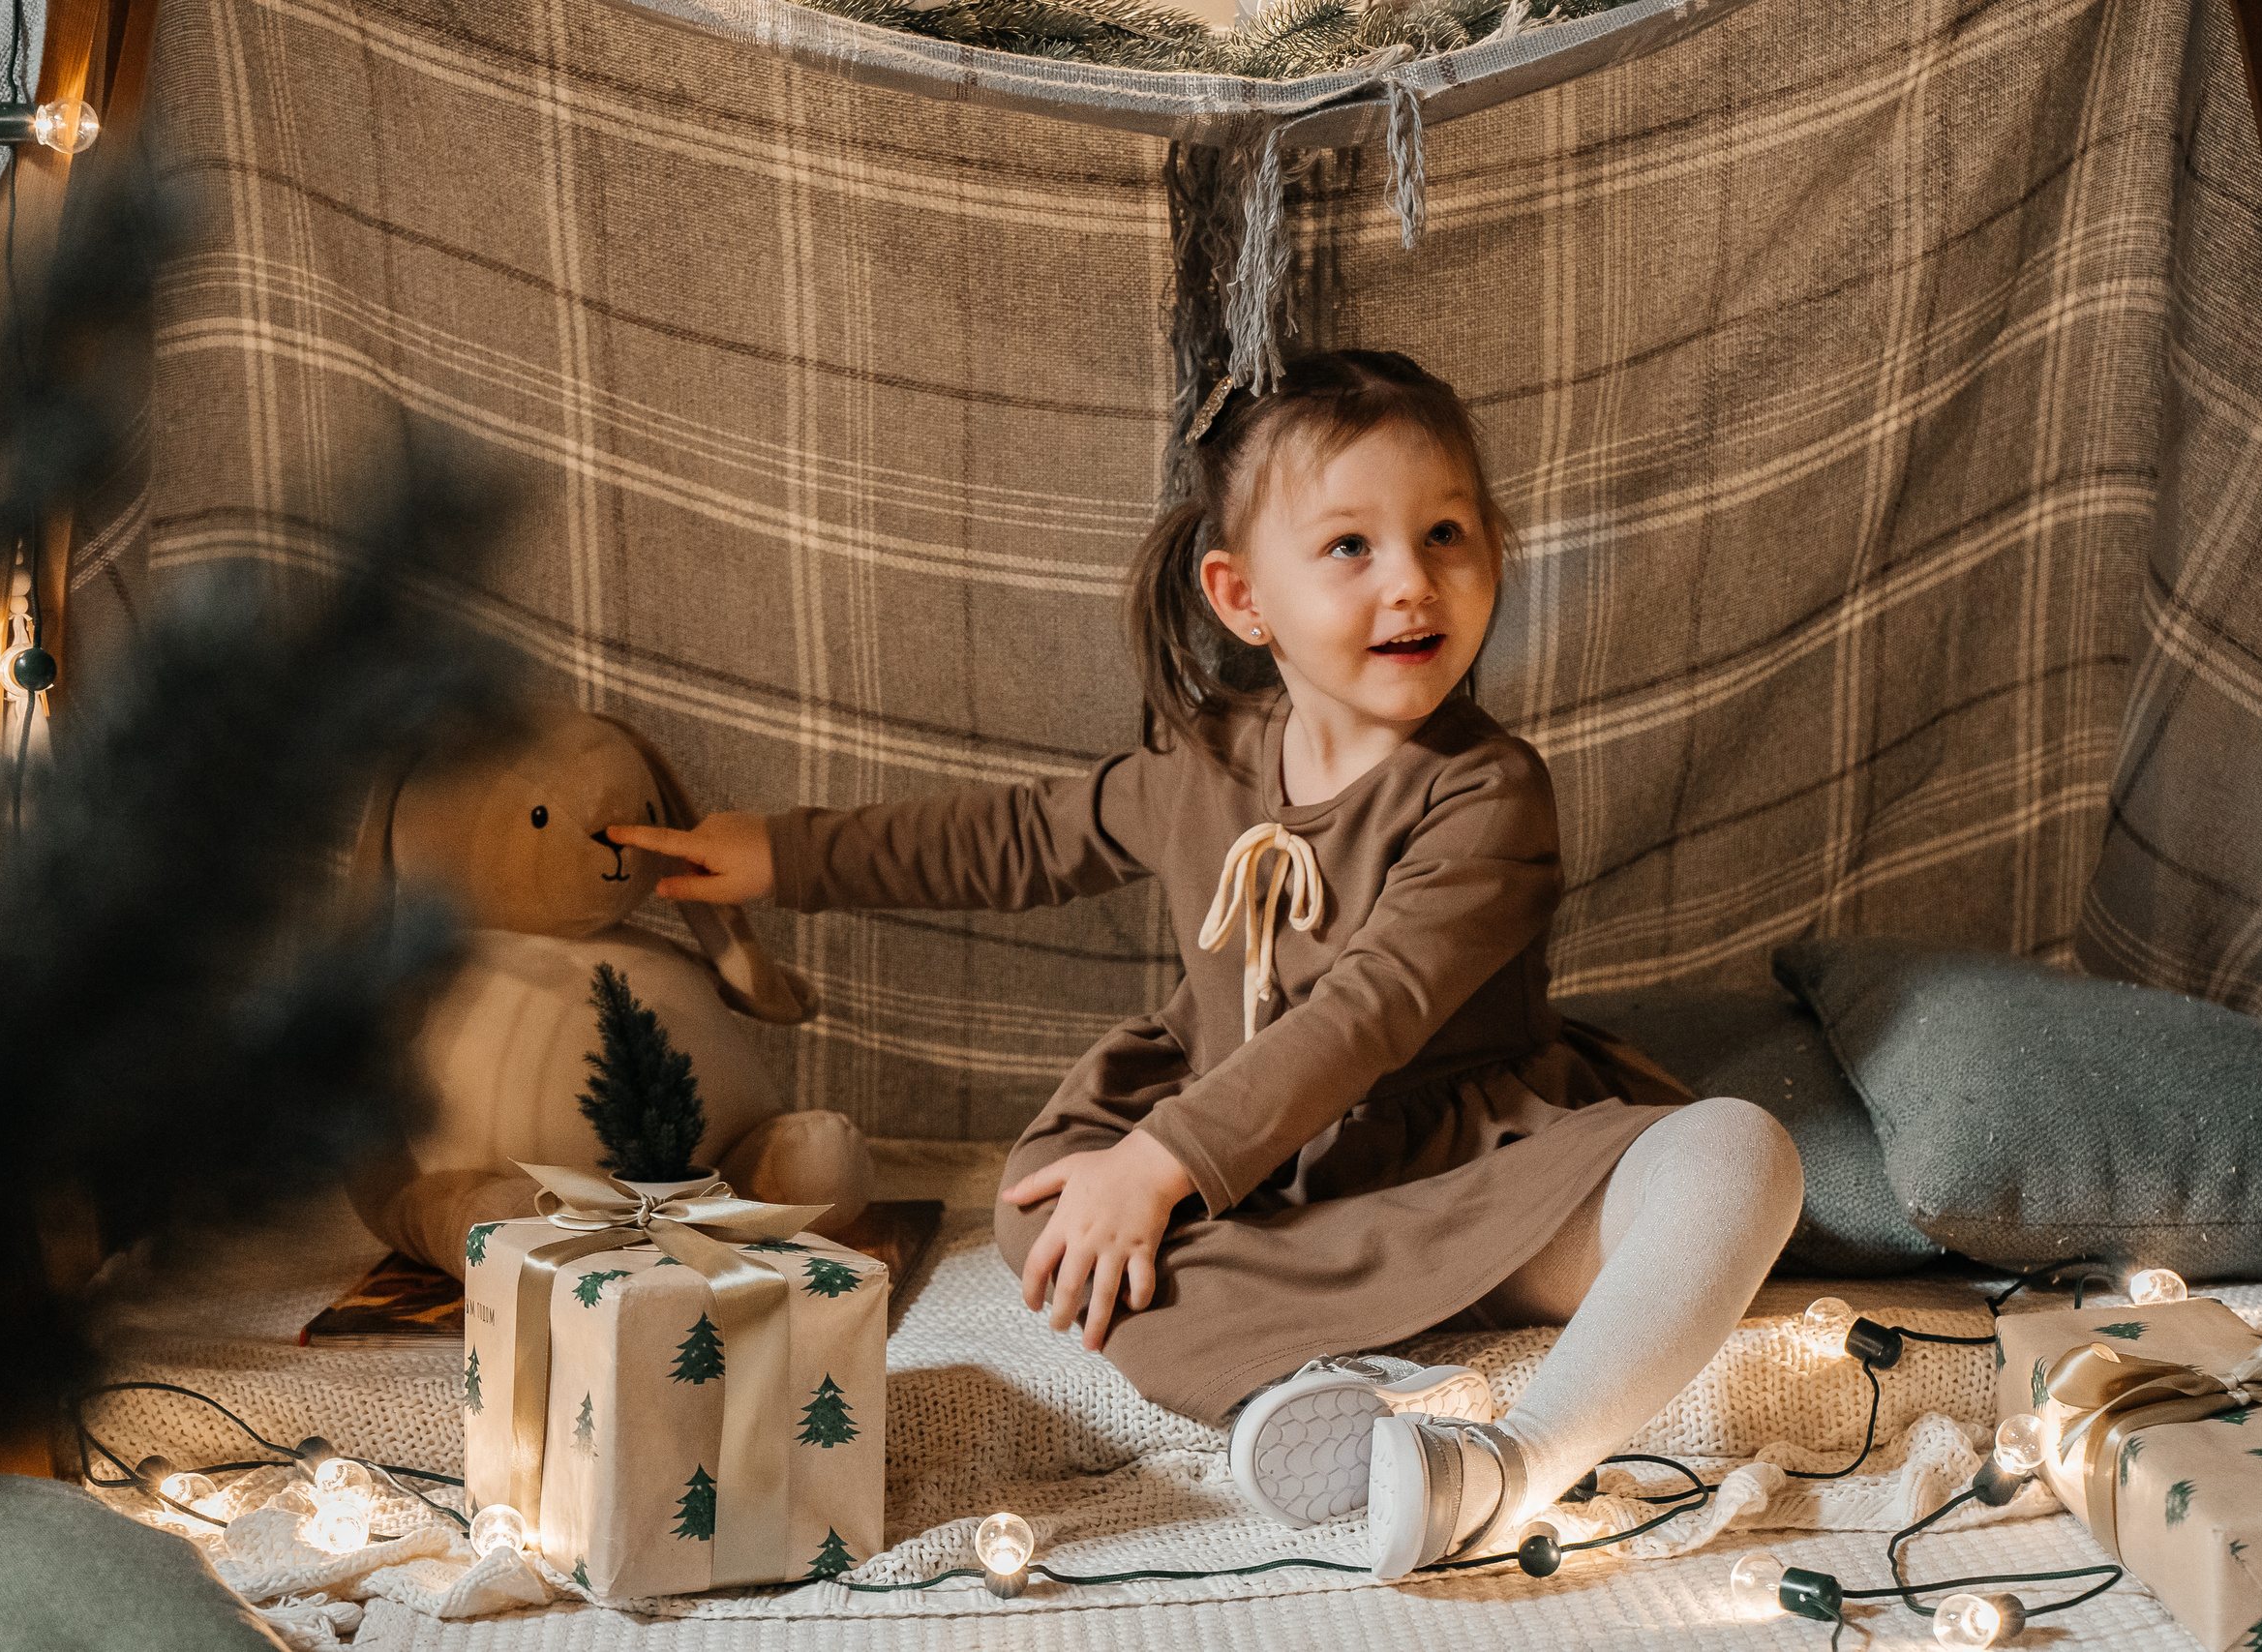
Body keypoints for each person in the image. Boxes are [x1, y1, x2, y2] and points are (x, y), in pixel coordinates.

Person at [612, 349, 1804, 1580]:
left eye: (1446, 532)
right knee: (1046, 1219)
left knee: (1738, 1154)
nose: (1413, 581)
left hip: (1457, 1170)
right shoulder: (1205, 763)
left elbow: (1367, 1011)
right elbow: (1015, 837)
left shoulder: (1487, 793)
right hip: (1252, 1196)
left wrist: (1163, 1160)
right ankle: (1301, 1395)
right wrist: (779, 856)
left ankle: (1511, 1463)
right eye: (1352, 547)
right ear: (1243, 596)